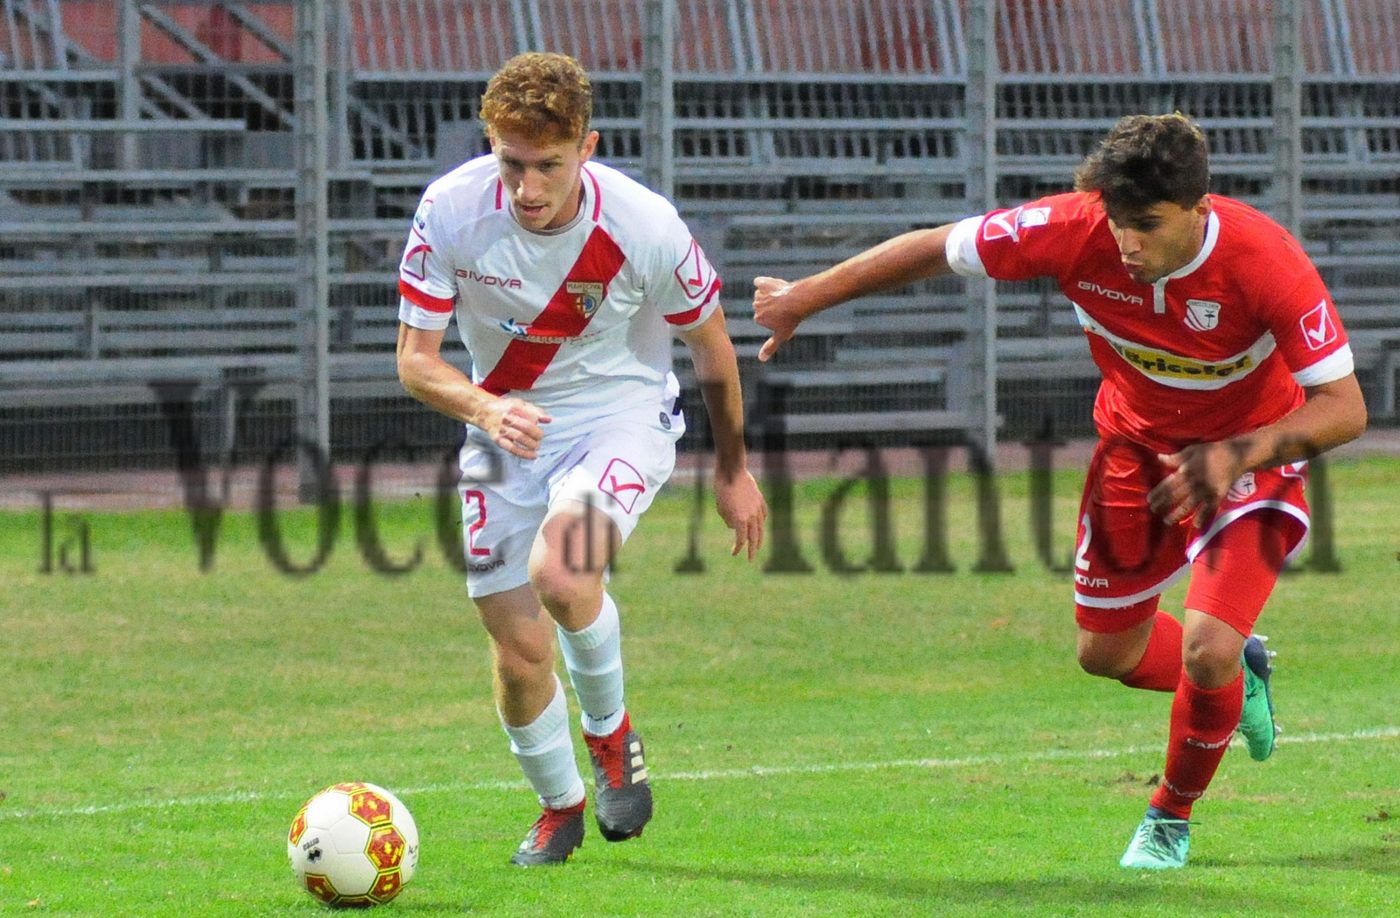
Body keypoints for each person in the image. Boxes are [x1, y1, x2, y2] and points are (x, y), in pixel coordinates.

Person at [752, 113, 1366, 869]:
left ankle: (1169, 817)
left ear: (1199, 209)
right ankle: (1244, 673)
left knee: (1207, 647)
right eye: (1117, 222)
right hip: (1134, 453)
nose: (1128, 243)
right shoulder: (1071, 229)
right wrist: (805, 297)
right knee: (1106, 654)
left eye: (1147, 224)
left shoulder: (1264, 261)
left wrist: (1238, 452)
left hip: (1251, 457)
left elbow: (1344, 408)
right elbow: (936, 247)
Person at [396, 51, 767, 866]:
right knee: (518, 653)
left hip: (619, 419)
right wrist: (486, 408)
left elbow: (710, 345)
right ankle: (558, 807)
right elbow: (415, 362)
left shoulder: (643, 226)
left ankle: (610, 733)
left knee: (562, 576)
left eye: (549, 166)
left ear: (587, 148)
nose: (527, 188)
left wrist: (732, 469)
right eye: (511, 164)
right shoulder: (449, 210)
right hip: (504, 428)